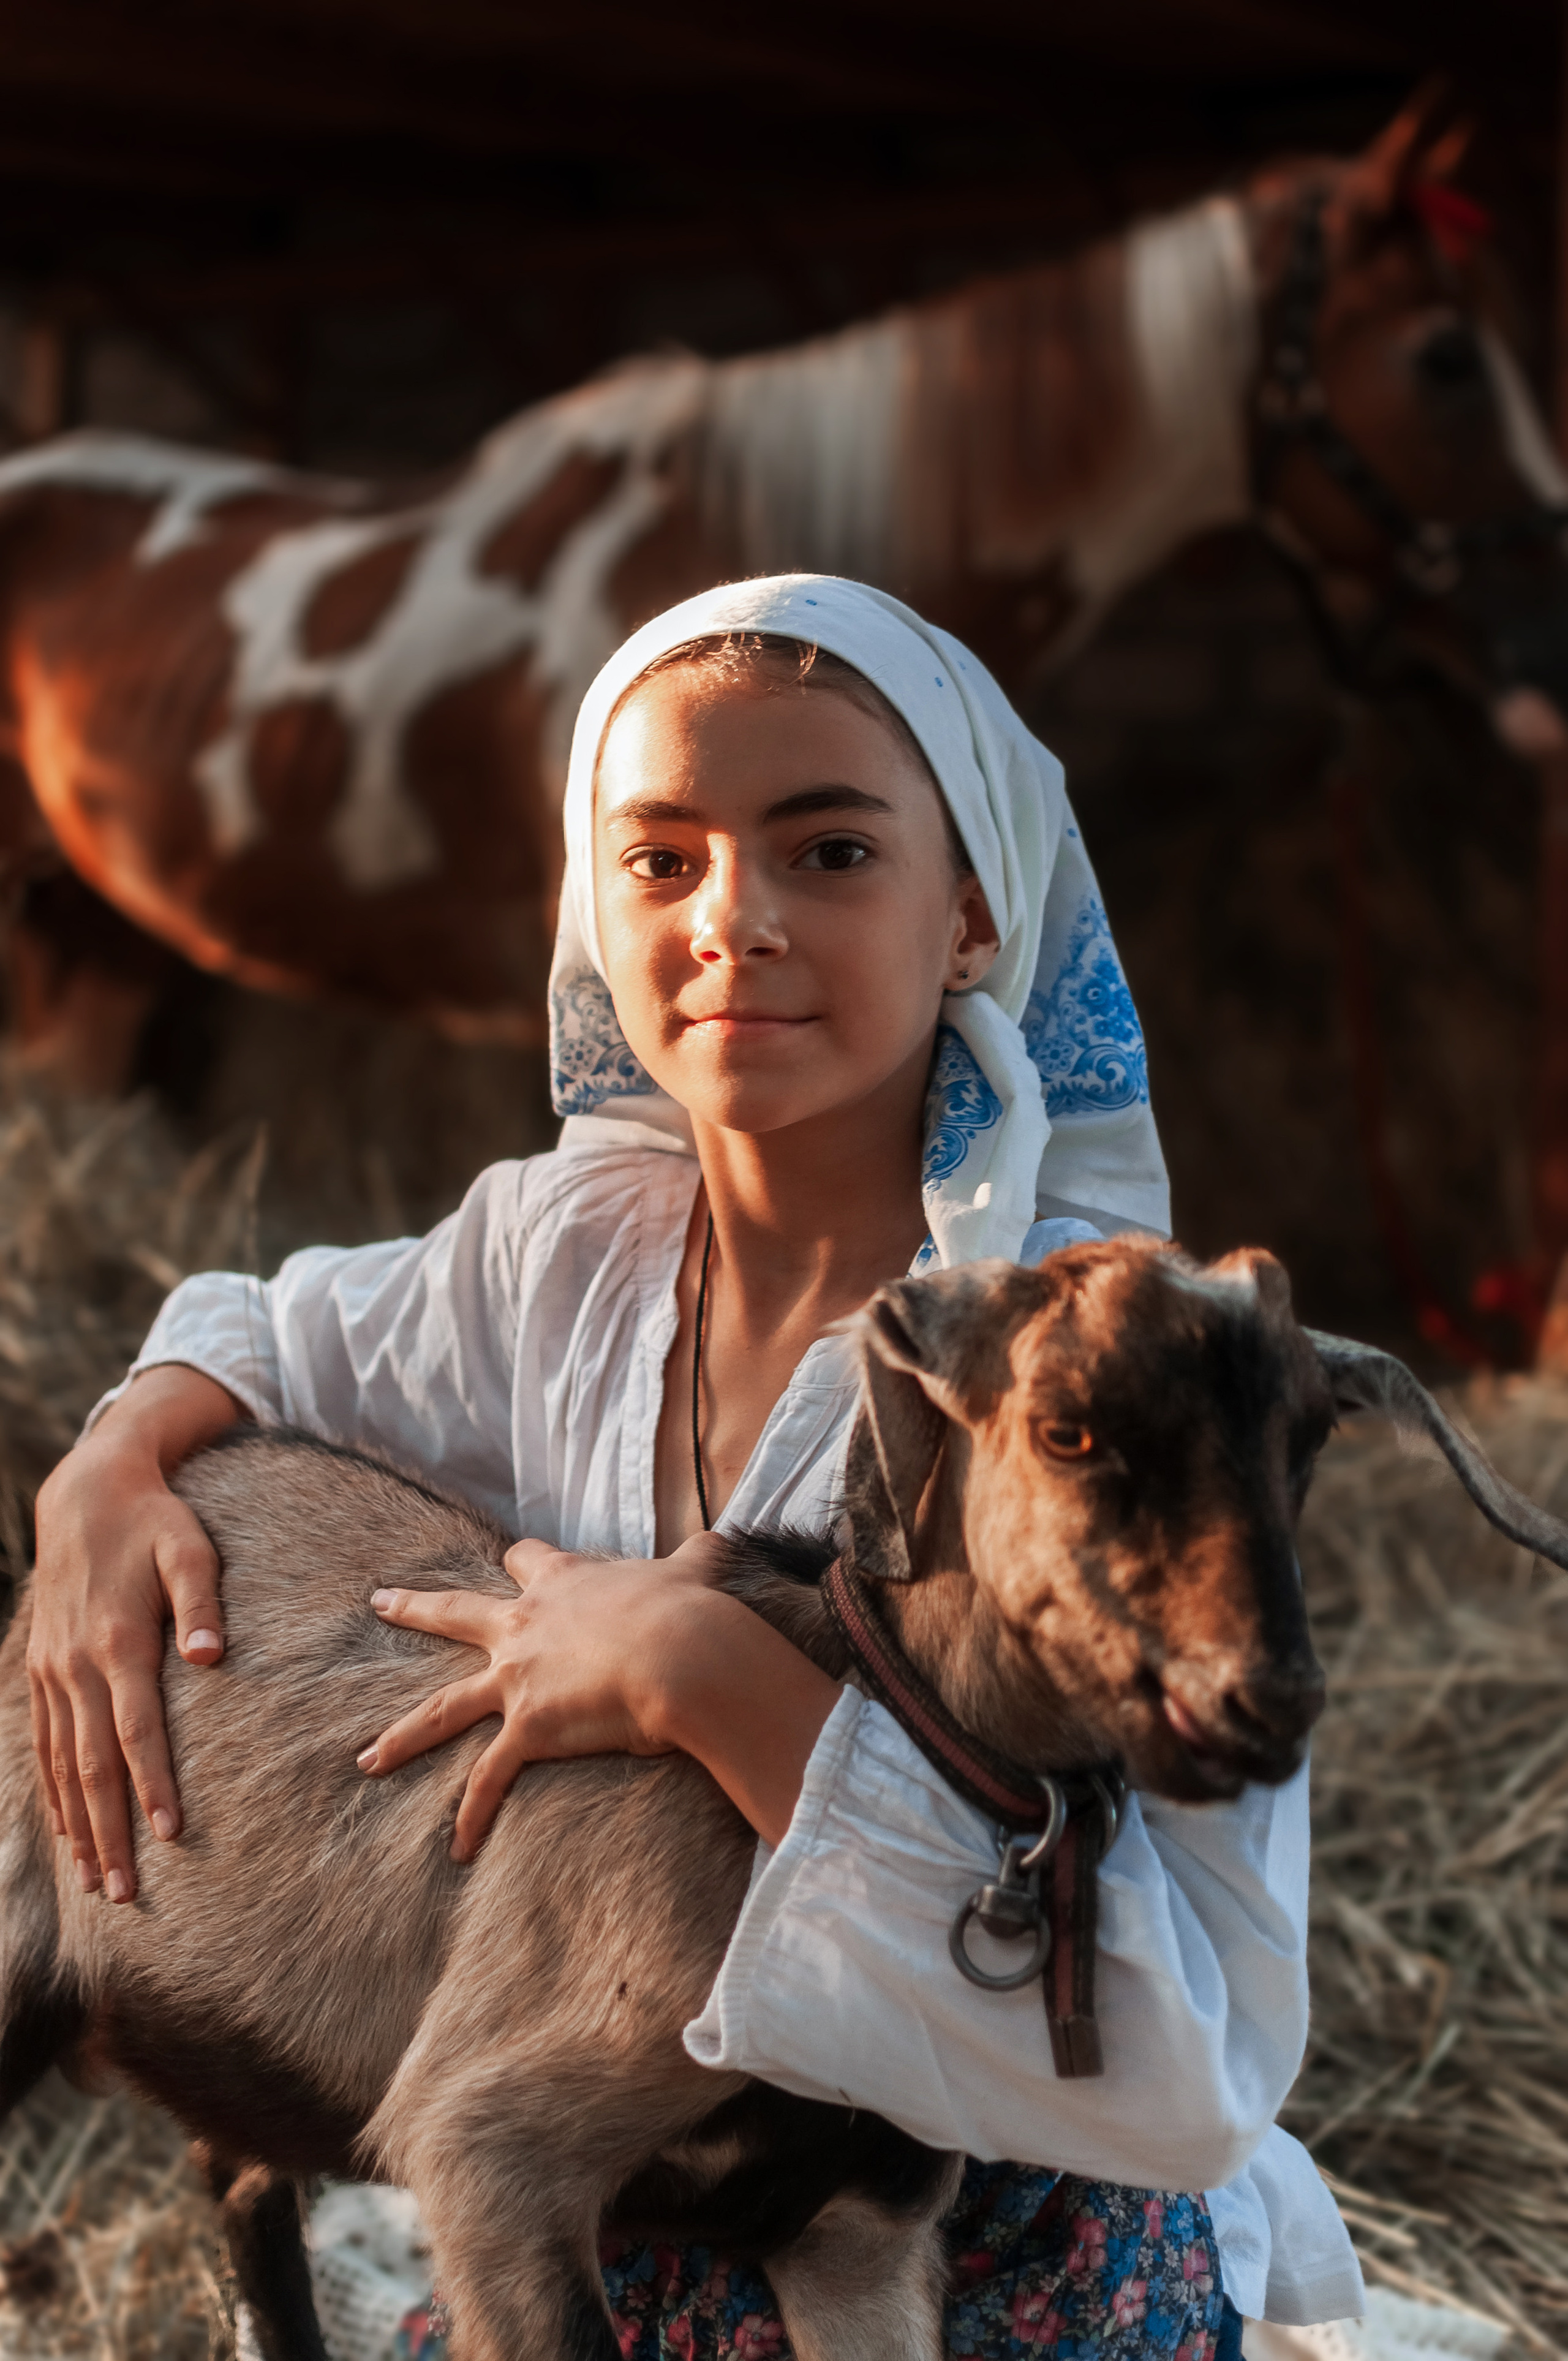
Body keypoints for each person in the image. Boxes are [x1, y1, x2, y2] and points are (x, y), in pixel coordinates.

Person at [28, 576, 1363, 2358]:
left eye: (828, 852)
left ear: (973, 910)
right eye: (662, 861)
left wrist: (712, 1682)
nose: (736, 917)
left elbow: (1191, 2069)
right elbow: (271, 1334)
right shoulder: (564, 1255)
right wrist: (111, 1465)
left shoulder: (1096, 1384)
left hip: (974, 2223)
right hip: (607, 2189)